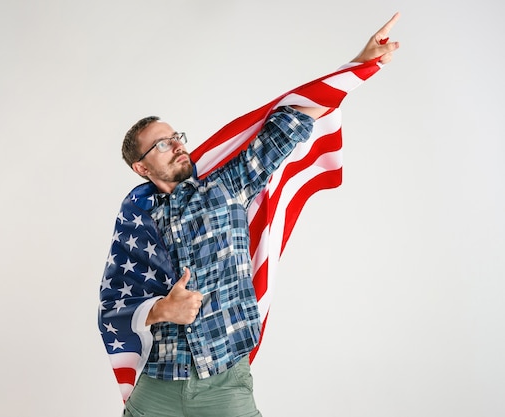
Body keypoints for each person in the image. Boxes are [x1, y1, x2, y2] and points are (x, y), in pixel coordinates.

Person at [100, 13, 400, 417]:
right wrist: (161, 310)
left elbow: (286, 127)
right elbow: (115, 305)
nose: (176, 145)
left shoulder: (225, 186)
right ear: (141, 167)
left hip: (223, 383)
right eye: (162, 144)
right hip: (157, 385)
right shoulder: (136, 218)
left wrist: (359, 65)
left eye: (176, 137)